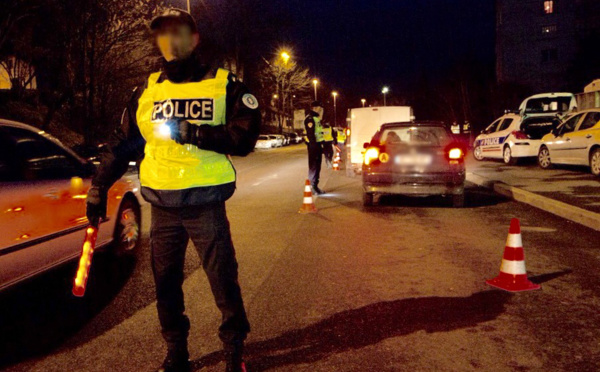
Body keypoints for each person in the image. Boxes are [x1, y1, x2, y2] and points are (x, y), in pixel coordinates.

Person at [85, 8, 260, 372]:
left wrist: (195, 133)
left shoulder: (224, 84)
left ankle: (233, 352)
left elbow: (245, 137)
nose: (169, 41)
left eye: (177, 32)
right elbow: (123, 145)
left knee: (223, 283)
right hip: (163, 205)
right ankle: (176, 353)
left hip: (205, 204)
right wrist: (98, 186)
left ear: (194, 39)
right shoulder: (146, 90)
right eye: (162, 34)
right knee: (165, 287)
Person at [304, 101, 325, 194]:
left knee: (318, 166)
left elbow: (319, 133)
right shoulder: (310, 119)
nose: (320, 110)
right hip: (313, 146)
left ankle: (315, 185)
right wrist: (315, 146)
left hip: (318, 145)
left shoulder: (316, 118)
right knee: (313, 166)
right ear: (314, 108)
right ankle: (312, 187)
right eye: (319, 108)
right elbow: (310, 134)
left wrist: (322, 144)